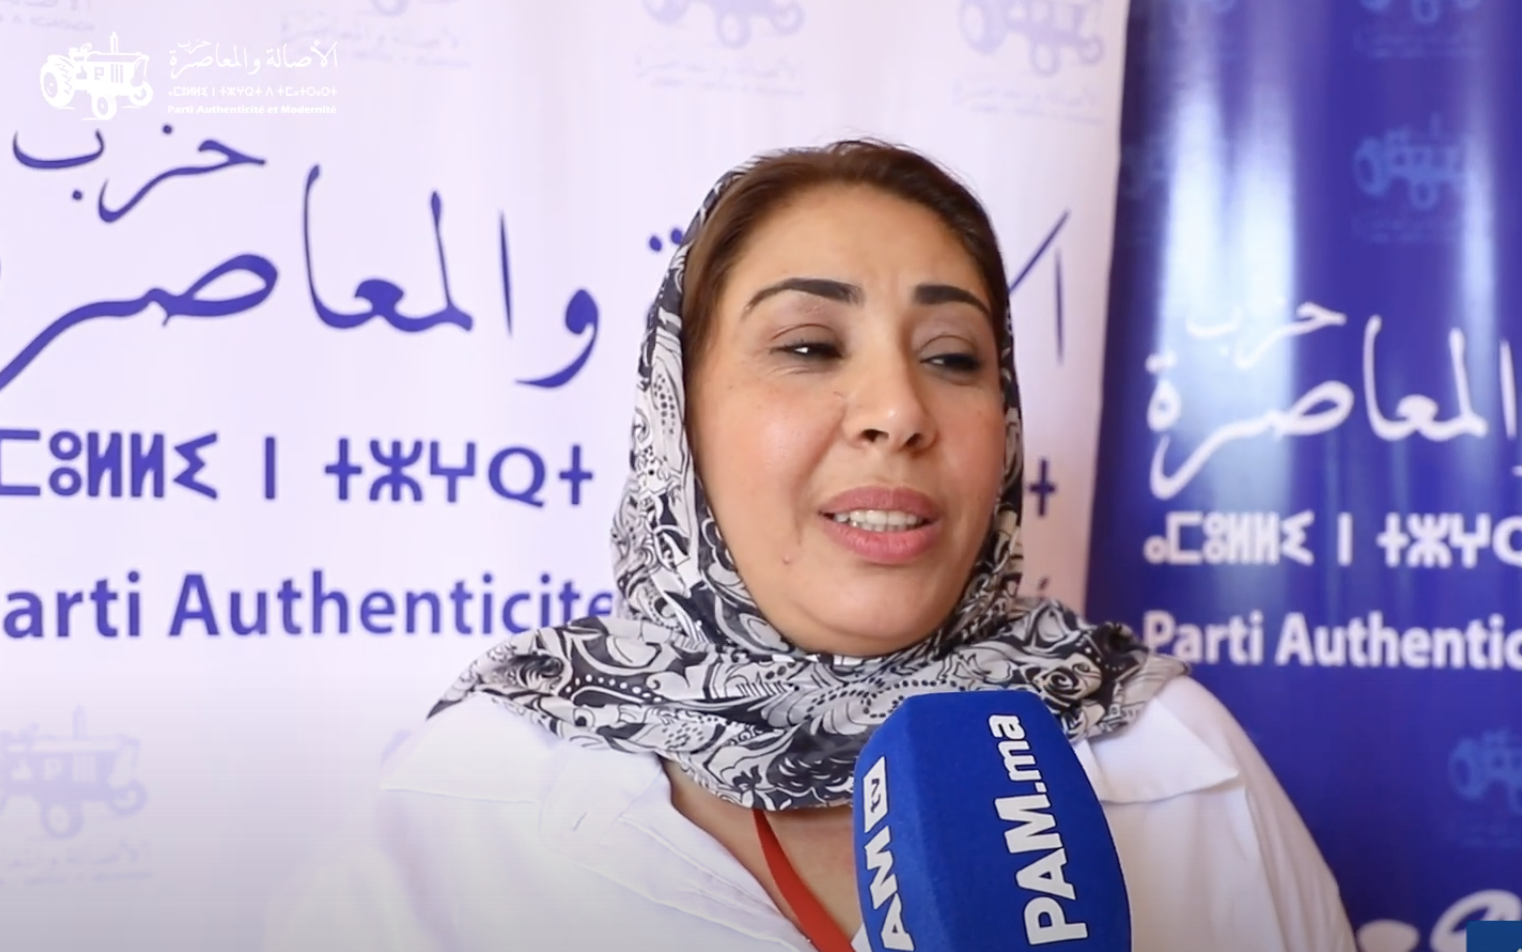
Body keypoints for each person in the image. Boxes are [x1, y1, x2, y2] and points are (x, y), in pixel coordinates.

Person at [261, 141, 1357, 952]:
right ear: (677, 422)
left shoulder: (1179, 757)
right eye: (807, 346)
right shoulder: (468, 804)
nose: (898, 411)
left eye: (953, 357)